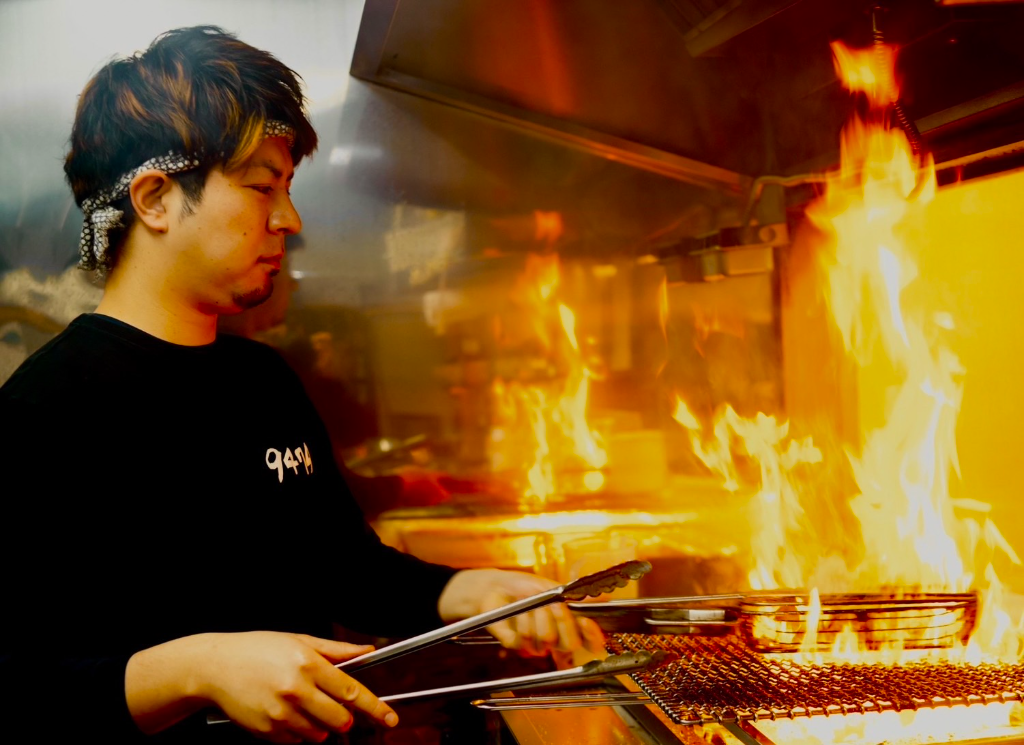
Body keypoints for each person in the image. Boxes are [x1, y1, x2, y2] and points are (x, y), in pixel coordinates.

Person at [0, 26, 603, 744]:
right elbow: (15, 684)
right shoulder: (48, 407)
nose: (289, 219)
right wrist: (199, 665)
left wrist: (463, 590)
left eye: (287, 189)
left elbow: (344, 566)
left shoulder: (264, 381)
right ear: (156, 198)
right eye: (262, 188)